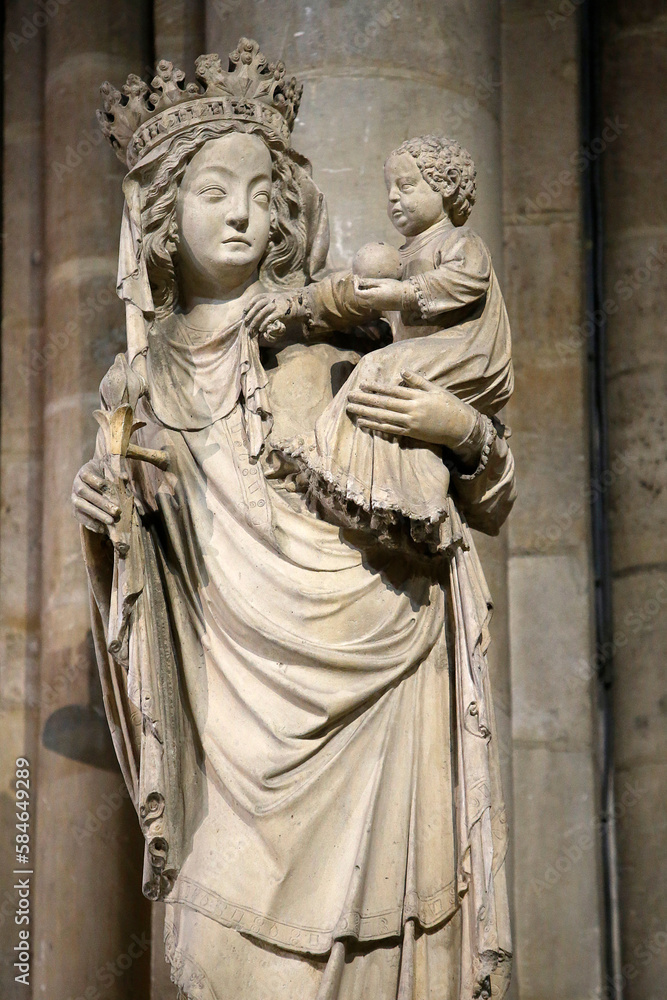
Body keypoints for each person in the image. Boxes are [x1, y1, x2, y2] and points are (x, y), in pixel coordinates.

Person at [72, 41, 516, 1000]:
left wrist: (462, 431)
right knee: (212, 956)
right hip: (233, 718)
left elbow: (481, 497)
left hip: (385, 671)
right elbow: (140, 585)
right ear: (158, 221)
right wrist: (108, 526)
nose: (243, 212)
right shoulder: (135, 385)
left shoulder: (326, 327)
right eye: (213, 191)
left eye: (262, 193)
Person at [244, 135, 513, 555]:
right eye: (390, 188)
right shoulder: (400, 259)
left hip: (463, 353)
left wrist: (463, 430)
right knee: (378, 374)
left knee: (375, 372)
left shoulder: (459, 245)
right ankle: (358, 487)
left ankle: (352, 482)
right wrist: (297, 305)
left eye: (406, 187)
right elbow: (348, 295)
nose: (392, 199)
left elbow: (492, 507)